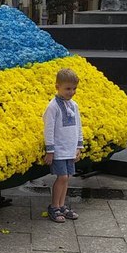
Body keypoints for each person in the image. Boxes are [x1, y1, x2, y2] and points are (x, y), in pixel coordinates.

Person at [43, 68, 83, 223]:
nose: (71, 92)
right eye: (68, 88)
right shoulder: (52, 107)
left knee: (67, 178)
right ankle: (54, 206)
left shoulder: (74, 105)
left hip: (70, 149)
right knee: (62, 177)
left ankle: (61, 205)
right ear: (57, 87)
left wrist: (79, 147)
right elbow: (49, 129)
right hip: (59, 150)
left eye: (74, 89)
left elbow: (78, 126)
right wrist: (50, 150)